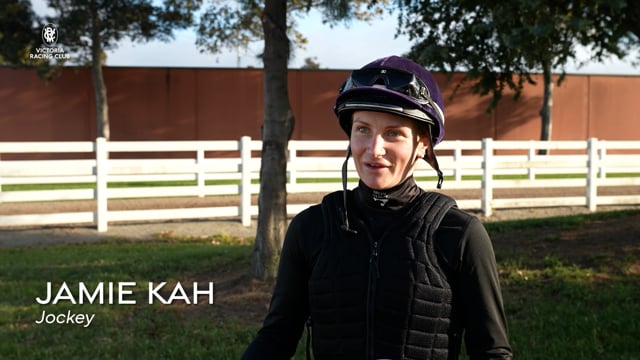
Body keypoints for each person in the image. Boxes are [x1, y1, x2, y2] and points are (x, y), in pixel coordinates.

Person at [242, 55, 512, 359]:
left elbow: (492, 351)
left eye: (393, 133)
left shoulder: (460, 235)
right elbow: (277, 336)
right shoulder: (310, 229)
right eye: (363, 129)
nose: (374, 149)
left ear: (424, 143)